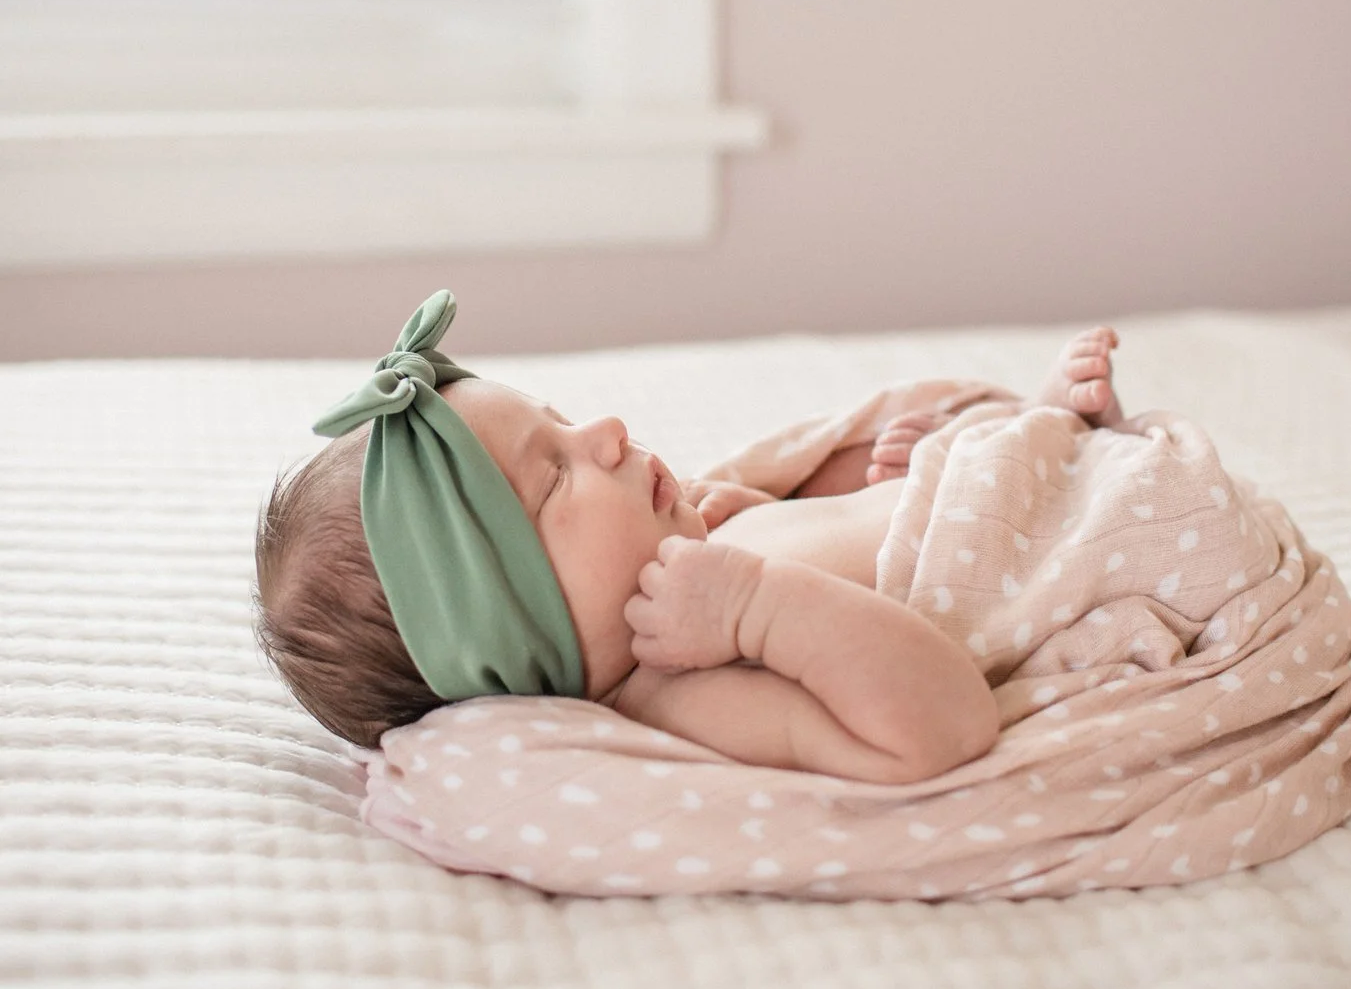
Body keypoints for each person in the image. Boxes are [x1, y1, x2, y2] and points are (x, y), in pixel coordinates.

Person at [254, 293, 1125, 783]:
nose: (608, 432)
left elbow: (806, 518)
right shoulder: (684, 690)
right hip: (1089, 559)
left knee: (952, 443)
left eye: (560, 420)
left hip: (1006, 502)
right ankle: (1064, 455)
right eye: (556, 475)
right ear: (522, 632)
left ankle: (1051, 441)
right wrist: (757, 607)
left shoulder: (683, 544)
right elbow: (941, 727)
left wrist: (883, 481)